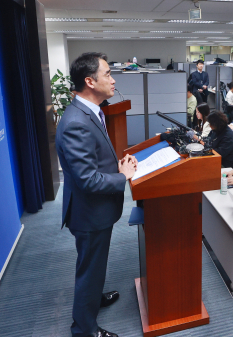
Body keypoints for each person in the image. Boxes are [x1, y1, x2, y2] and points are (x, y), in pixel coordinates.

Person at [56, 52, 137, 337]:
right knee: (89, 270)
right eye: (108, 75)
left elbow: (90, 162)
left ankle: (92, 299)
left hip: (92, 209)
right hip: (89, 213)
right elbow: (88, 181)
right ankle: (85, 329)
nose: (113, 80)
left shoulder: (90, 112)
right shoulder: (77, 122)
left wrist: (114, 166)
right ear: (90, 81)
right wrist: (122, 176)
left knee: (93, 266)